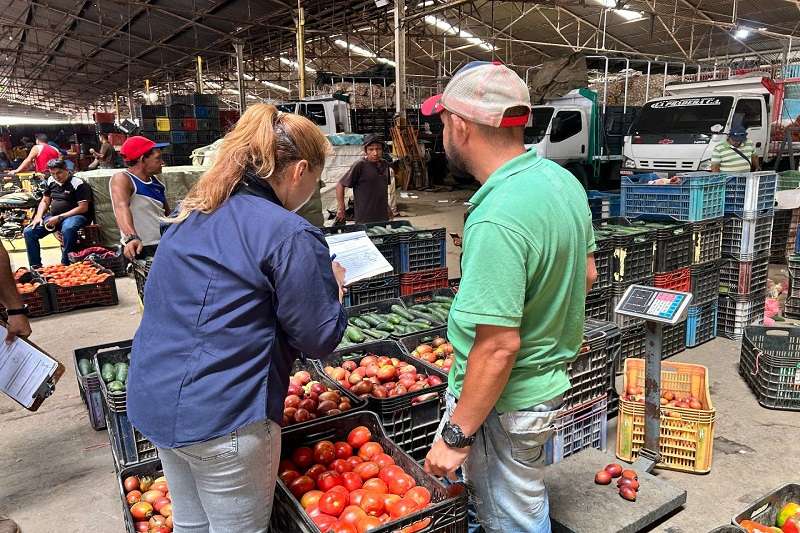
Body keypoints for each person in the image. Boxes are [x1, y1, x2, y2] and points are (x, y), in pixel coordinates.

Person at [126, 104, 347, 532]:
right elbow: (318, 338)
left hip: (155, 399)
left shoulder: (192, 214)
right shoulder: (289, 232)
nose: (314, 189)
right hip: (224, 416)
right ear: (300, 170)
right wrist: (335, 290)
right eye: (317, 180)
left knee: (191, 525)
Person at [420, 61, 597, 533]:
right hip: (541, 389)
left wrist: (456, 435)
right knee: (506, 503)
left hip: (503, 404)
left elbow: (498, 346)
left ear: (460, 126)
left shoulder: (497, 216)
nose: (442, 134)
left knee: (513, 519)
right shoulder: (561, 181)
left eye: (443, 122)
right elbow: (587, 274)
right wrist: (548, 327)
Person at [23, 159, 92, 268]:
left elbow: (83, 208)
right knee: (29, 232)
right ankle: (35, 267)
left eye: (59, 172)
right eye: (53, 173)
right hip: (54, 217)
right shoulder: (51, 181)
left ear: (66, 170)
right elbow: (45, 201)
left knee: (68, 229)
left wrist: (59, 218)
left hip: (75, 216)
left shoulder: (78, 183)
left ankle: (66, 264)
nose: (56, 176)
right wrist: (38, 216)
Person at [110, 136, 170, 260]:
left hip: (162, 244)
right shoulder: (123, 179)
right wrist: (131, 237)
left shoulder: (157, 183)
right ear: (142, 159)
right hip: (141, 246)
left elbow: (167, 215)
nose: (162, 162)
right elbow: (121, 207)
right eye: (158, 158)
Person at [335, 133, 392, 223]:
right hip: (364, 217)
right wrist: (341, 208)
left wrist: (387, 207)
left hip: (382, 216)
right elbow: (340, 185)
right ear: (365, 150)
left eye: (378, 149)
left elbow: (382, 190)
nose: (375, 153)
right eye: (371, 149)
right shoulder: (360, 165)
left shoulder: (384, 165)